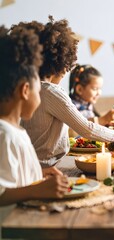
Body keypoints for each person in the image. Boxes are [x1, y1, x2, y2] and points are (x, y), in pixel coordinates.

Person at [18, 17, 114, 167]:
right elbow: (87, 129)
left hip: (33, 162)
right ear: (61, 65)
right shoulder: (52, 92)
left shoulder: (30, 87)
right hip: (47, 165)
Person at [0, 25, 68, 207]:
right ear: (25, 90)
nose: (39, 99)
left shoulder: (16, 131)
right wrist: (35, 190)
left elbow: (15, 179)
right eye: (38, 92)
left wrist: (39, 174)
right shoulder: (4, 135)